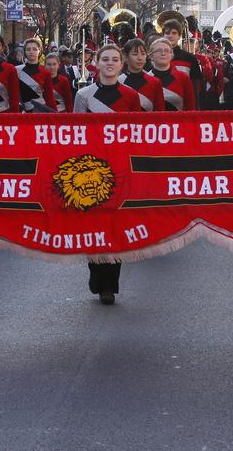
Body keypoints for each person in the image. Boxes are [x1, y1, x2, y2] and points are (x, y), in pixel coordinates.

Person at [73, 43, 142, 304]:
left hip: (121, 167)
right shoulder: (83, 95)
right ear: (97, 63)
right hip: (90, 169)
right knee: (93, 224)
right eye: (105, 59)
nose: (110, 63)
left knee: (116, 226)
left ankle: (110, 284)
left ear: (121, 64)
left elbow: (137, 133)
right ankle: (95, 271)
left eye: (115, 59)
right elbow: (74, 134)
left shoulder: (131, 96)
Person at [160, 19, 203, 106]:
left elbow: (195, 89)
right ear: (163, 35)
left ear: (179, 36)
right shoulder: (156, 57)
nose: (170, 36)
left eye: (174, 33)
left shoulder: (190, 59)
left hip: (183, 108)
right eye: (167, 33)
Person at [148, 37, 196, 111]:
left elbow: (191, 107)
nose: (163, 53)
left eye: (167, 51)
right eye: (159, 51)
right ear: (151, 55)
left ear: (171, 55)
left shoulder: (183, 77)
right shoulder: (146, 78)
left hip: (178, 121)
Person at [119, 38, 166, 112]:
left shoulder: (155, 82)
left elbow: (160, 112)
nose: (140, 58)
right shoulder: (118, 82)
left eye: (143, 54)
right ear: (126, 57)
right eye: (135, 54)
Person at [16, 37, 57, 112]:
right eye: (28, 49)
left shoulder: (45, 72)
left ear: (39, 51)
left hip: (40, 110)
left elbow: (49, 97)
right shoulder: (17, 70)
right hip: (23, 111)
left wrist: (55, 116)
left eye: (34, 49)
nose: (31, 52)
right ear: (24, 52)